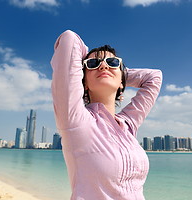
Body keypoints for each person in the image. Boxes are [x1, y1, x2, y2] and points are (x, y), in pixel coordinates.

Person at [51, 30, 162, 200]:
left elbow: (154, 77)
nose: (103, 66)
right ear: (83, 82)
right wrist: (110, 70)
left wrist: (119, 76)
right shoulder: (76, 120)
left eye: (112, 62)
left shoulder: (128, 126)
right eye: (93, 63)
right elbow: (69, 39)